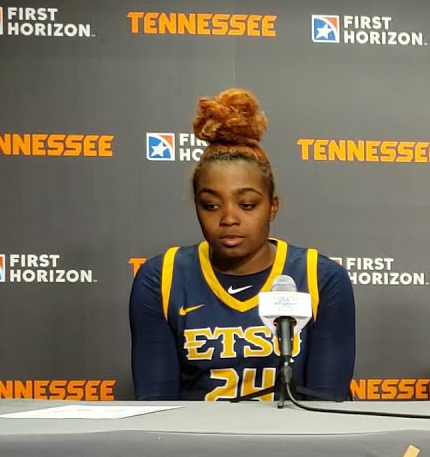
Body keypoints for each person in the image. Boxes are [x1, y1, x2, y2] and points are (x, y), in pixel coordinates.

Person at [130, 88, 355, 401]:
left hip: (295, 447)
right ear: (196, 205)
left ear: (272, 207)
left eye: (247, 204)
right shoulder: (161, 279)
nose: (228, 218)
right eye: (211, 205)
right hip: (194, 447)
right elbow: (156, 410)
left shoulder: (322, 279)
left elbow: (327, 409)